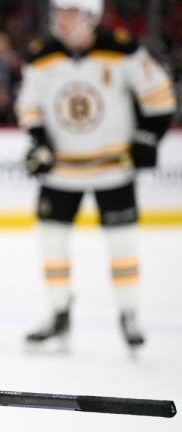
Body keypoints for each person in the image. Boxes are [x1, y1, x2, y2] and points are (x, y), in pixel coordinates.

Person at [15, 0, 176, 350]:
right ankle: (58, 315)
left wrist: (147, 139)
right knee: (51, 242)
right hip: (61, 172)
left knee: (123, 247)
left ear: (90, 16)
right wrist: (38, 142)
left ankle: (129, 314)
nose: (61, 20)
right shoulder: (41, 56)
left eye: (69, 12)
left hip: (113, 170)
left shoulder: (122, 49)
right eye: (58, 12)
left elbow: (160, 96)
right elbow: (29, 107)